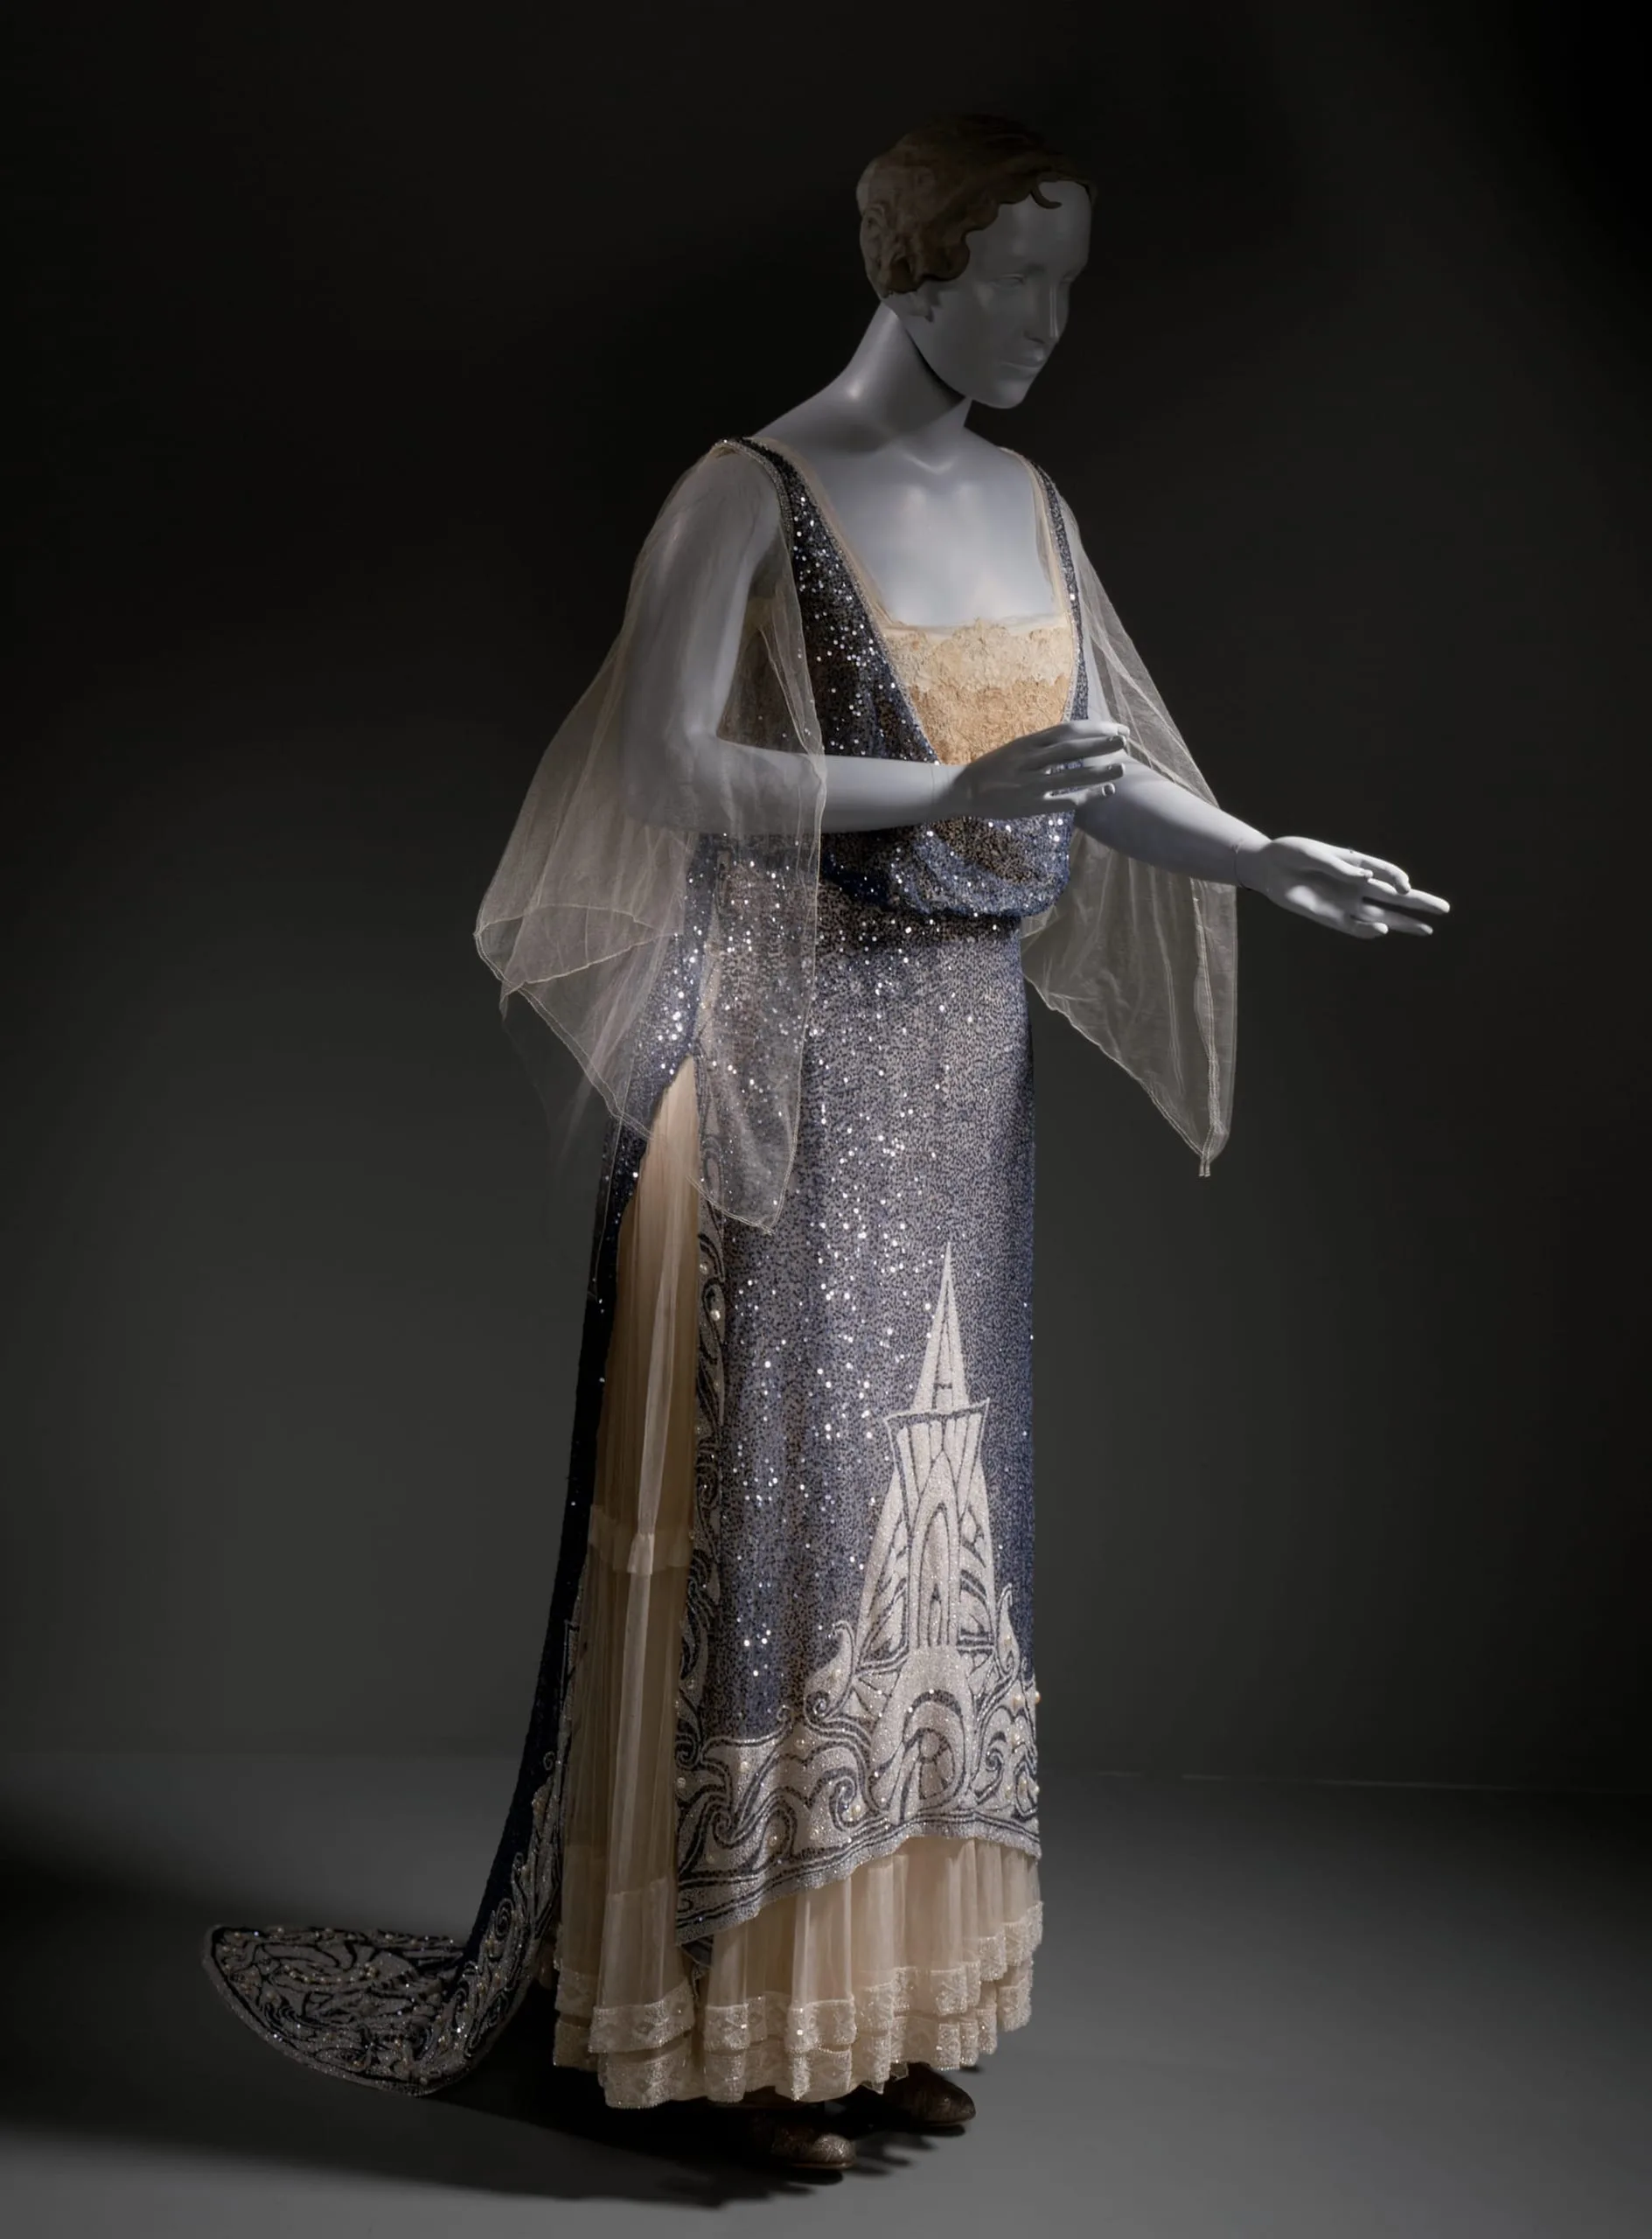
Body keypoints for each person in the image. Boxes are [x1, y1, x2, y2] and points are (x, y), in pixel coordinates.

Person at [203, 115, 1446, 2173]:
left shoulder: (1026, 504)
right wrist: (941, 787)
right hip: (778, 1063)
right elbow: (663, 766)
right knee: (771, 1527)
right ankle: (720, 2033)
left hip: (958, 1077)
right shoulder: (748, 491)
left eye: (1065, 283)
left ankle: (872, 2012)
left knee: (925, 1526)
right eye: (1014, 276)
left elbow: (1076, 769)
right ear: (913, 263)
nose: (1045, 322)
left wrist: (1256, 852)